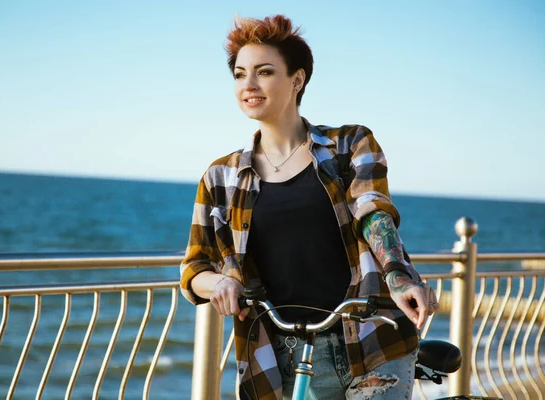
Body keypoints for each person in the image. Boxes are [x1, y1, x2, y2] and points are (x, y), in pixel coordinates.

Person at [179, 14, 438, 400]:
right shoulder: (221, 177)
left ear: (296, 80)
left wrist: (399, 276)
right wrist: (221, 283)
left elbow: (372, 211)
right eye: (239, 74)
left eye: (264, 72)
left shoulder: (349, 145)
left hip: (371, 339)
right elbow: (194, 268)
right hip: (278, 351)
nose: (248, 85)